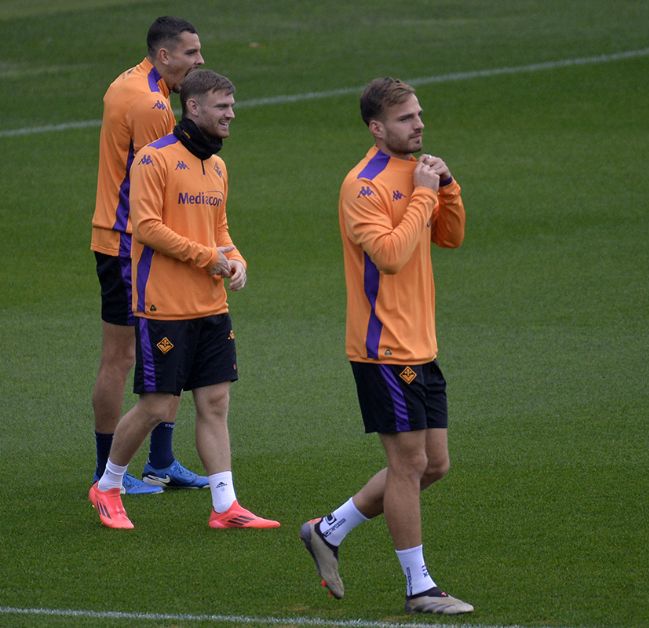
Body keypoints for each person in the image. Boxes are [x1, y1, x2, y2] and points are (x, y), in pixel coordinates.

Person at [299, 77, 472, 615]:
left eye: (419, 115)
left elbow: (451, 237)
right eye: (405, 118)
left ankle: (327, 530)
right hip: (382, 348)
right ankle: (419, 587)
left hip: (421, 343)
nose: (418, 124)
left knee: (433, 465)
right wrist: (423, 193)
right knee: (407, 464)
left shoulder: (418, 172)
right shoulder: (363, 185)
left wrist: (447, 187)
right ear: (377, 128)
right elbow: (391, 255)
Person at [88, 69, 279, 531]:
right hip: (164, 306)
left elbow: (219, 230)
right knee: (158, 406)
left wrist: (235, 259)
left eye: (231, 106)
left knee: (214, 402)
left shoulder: (216, 166)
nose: (231, 114)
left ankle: (225, 506)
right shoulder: (154, 160)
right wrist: (206, 257)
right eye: (222, 106)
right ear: (193, 107)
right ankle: (108, 485)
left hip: (211, 306)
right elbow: (147, 227)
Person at [89, 16, 208, 494]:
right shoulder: (150, 104)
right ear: (164, 55)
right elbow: (163, 181)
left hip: (123, 237)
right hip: (127, 244)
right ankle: (105, 473)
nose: (200, 61)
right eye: (191, 53)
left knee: (164, 344)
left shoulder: (133, 81)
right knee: (120, 357)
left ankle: (160, 461)